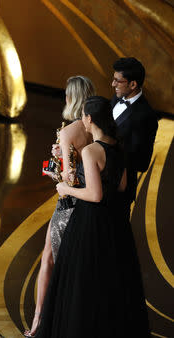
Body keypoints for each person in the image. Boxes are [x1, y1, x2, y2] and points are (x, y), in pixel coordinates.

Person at [35, 96, 149, 338]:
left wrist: (66, 189)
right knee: (112, 283)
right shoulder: (119, 145)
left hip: (90, 223)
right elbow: (121, 186)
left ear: (89, 119)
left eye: (83, 116)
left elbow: (95, 195)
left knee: (83, 282)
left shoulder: (90, 151)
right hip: (115, 225)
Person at [24, 76, 94, 337]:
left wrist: (55, 163)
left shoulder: (67, 132)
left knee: (49, 259)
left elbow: (68, 178)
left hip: (69, 202)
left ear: (70, 98)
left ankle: (40, 320)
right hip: (93, 202)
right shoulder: (97, 126)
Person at [111, 57, 158, 221]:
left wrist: (110, 153)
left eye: (118, 81)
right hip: (99, 182)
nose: (113, 84)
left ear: (133, 84)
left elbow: (142, 163)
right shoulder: (116, 98)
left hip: (120, 190)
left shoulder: (146, 116)